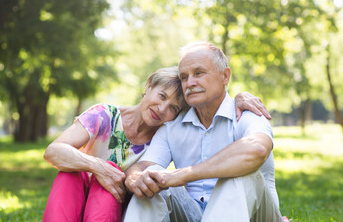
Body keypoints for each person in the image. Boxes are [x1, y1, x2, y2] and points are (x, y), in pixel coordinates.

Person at [42, 66, 269, 222]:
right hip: (78, 199)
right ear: (148, 85)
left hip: (118, 208)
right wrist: (98, 167)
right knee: (69, 174)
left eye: (173, 108)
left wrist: (239, 97)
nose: (162, 109)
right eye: (161, 96)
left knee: (112, 181)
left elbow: (209, 105)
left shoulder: (164, 134)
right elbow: (54, 151)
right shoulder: (104, 115)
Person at [123, 42, 283, 222]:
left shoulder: (248, 113)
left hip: (255, 214)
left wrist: (183, 174)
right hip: (194, 213)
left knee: (239, 174)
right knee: (151, 178)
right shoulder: (172, 127)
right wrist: (135, 178)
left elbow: (257, 149)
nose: (190, 83)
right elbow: (143, 166)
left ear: (225, 76)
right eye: (184, 77)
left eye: (199, 73)